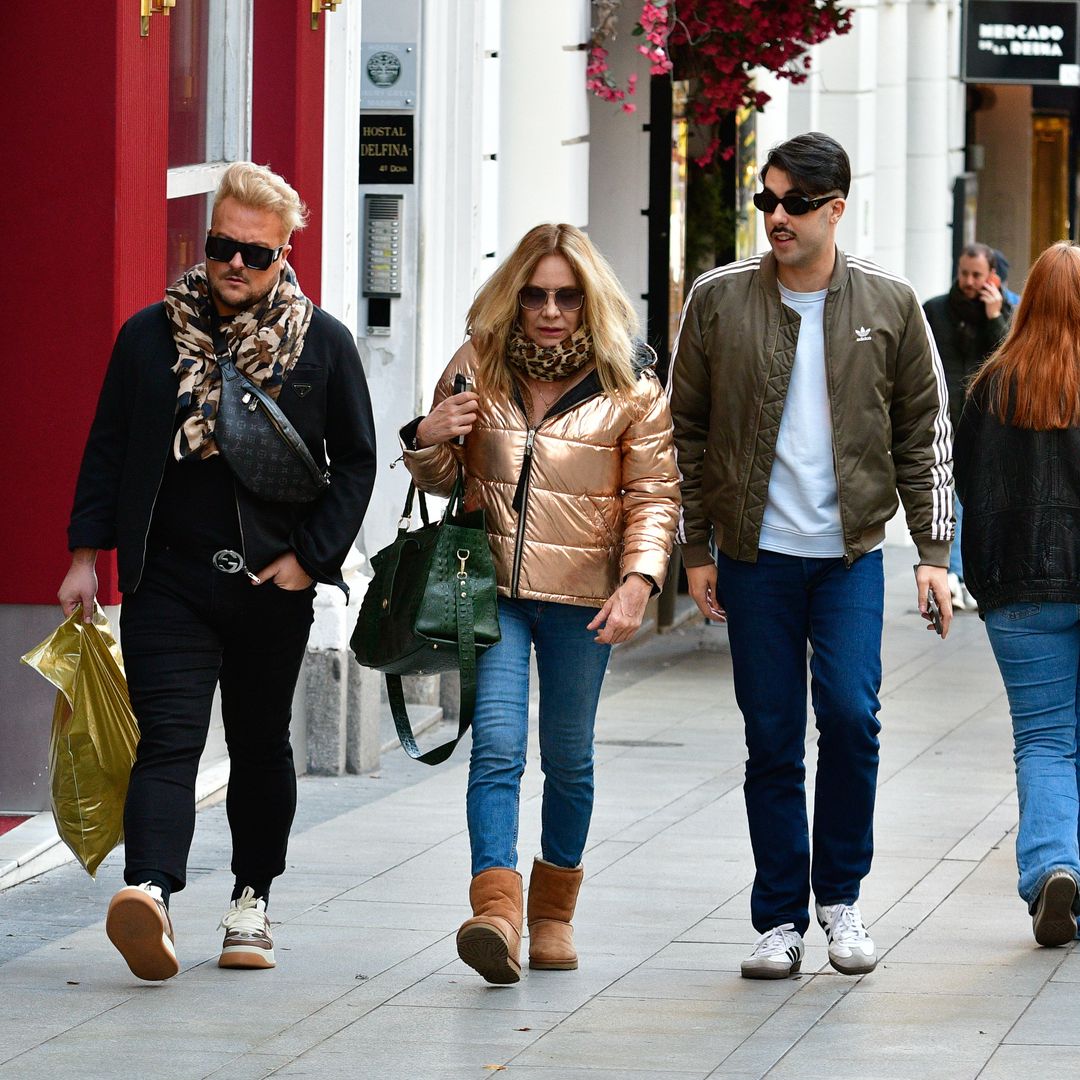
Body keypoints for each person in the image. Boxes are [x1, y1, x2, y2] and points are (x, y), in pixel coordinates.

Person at [59, 162, 377, 981]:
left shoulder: (323, 345)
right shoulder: (147, 337)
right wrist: (84, 557)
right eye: (222, 246)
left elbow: (357, 464)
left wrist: (310, 561)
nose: (236, 264)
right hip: (169, 578)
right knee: (166, 740)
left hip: (271, 588)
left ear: (284, 254)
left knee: (259, 743)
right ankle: (150, 892)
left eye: (255, 253)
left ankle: (251, 902)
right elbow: (109, 447)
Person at [668, 132, 954, 980]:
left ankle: (841, 900)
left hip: (849, 556)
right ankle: (779, 919)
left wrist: (933, 553)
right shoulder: (718, 300)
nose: (776, 218)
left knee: (852, 718)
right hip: (755, 557)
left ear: (836, 207)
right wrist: (695, 547)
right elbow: (679, 432)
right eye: (766, 201)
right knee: (771, 737)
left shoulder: (891, 305)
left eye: (794, 203)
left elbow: (923, 433)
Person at [400, 223, 679, 984]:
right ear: (513, 297)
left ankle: (554, 913)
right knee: (494, 746)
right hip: (490, 591)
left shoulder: (631, 384)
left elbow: (655, 494)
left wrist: (639, 581)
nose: (551, 310)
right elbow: (435, 475)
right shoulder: (476, 366)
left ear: (589, 300)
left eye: (566, 295)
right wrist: (426, 436)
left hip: (586, 600)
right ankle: (497, 911)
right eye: (535, 294)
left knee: (568, 757)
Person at [955, 240, 1080, 947]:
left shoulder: (993, 386)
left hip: (1018, 589)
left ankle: (1053, 867)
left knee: (1043, 737)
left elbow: (969, 489)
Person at [923, 242, 1012, 612]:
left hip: (984, 424)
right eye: (964, 273)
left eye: (977, 275)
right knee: (950, 502)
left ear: (991, 275)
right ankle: (956, 579)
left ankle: (967, 576)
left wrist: (993, 317)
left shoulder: (1002, 313)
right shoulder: (935, 310)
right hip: (941, 419)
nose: (969, 282)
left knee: (974, 503)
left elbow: (1008, 361)